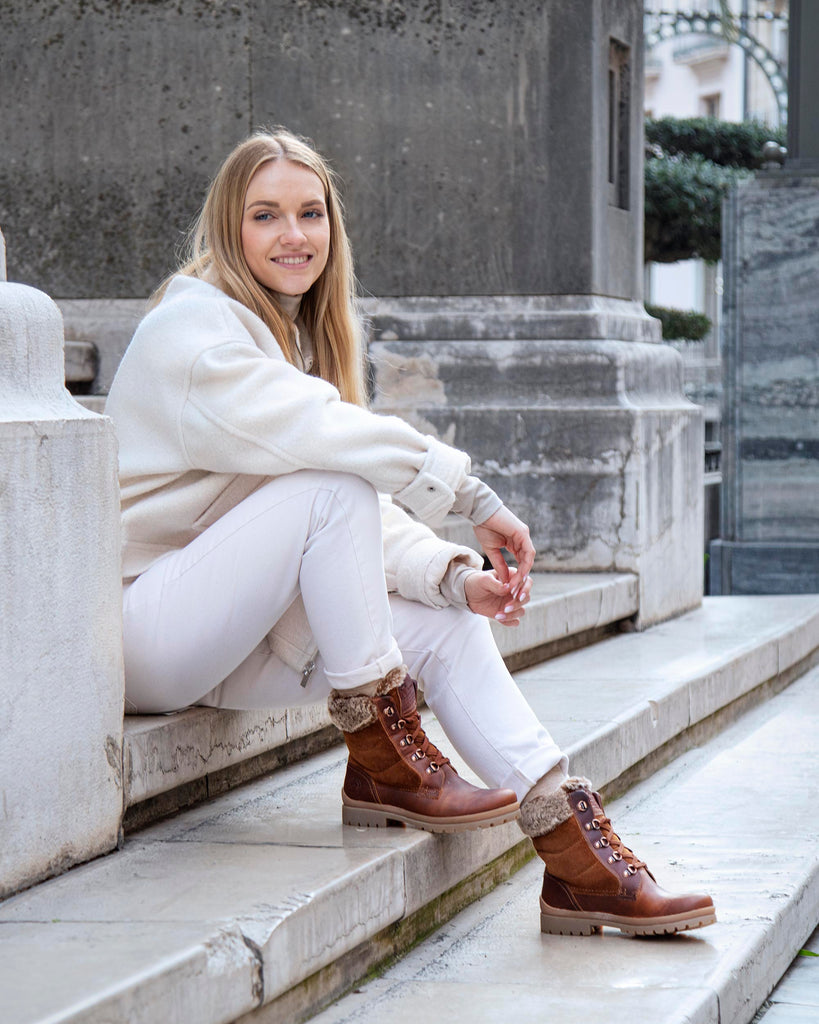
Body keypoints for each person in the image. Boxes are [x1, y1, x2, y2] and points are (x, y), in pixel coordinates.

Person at [105, 128, 715, 937]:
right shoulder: (194, 334)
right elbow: (330, 466)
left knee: (442, 621)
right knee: (332, 482)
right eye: (265, 216)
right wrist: (470, 494)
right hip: (146, 633)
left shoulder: (282, 340)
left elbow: (343, 515)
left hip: (227, 628)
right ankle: (385, 759)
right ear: (228, 229)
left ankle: (575, 856)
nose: (294, 235)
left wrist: (451, 576)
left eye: (310, 214)